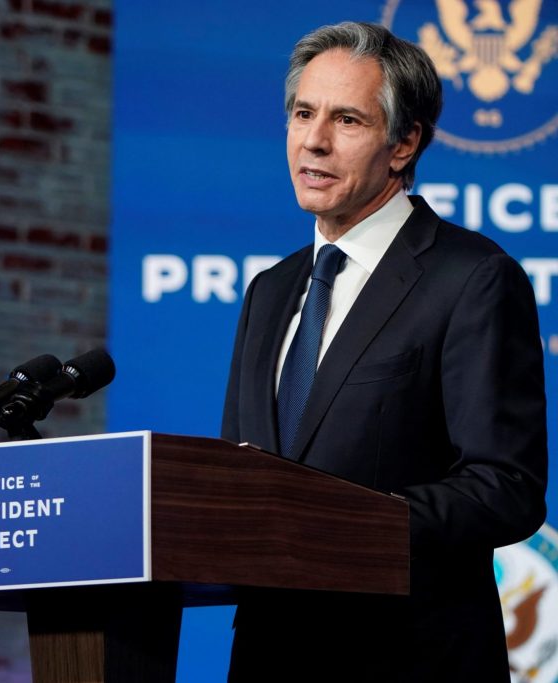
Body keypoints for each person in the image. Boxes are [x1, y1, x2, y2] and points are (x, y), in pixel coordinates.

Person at [221, 22, 547, 681]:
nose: (312, 140)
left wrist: (341, 521)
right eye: (302, 113)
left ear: (403, 144)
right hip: (268, 656)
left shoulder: (470, 278)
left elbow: (504, 487)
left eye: (346, 120)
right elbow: (243, 479)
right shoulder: (270, 290)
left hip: (406, 656)